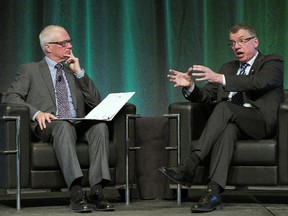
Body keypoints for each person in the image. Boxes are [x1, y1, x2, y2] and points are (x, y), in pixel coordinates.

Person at [160, 23, 284, 213]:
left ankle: (190, 164)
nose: (237, 46)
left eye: (242, 41)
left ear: (255, 41)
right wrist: (190, 86)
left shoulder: (272, 62)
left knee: (225, 107)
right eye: (232, 43)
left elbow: (259, 82)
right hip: (235, 122)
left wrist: (221, 79)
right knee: (226, 129)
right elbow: (207, 95)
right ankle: (213, 193)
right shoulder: (228, 67)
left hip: (261, 123)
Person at [1, 25, 114, 213]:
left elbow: (95, 101)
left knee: (100, 127)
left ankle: (96, 192)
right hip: (50, 125)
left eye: (69, 41)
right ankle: (76, 193)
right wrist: (37, 113)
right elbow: (10, 97)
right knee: (62, 126)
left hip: (77, 122)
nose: (69, 46)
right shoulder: (30, 70)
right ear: (48, 47)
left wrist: (80, 73)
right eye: (63, 43)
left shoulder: (72, 71)